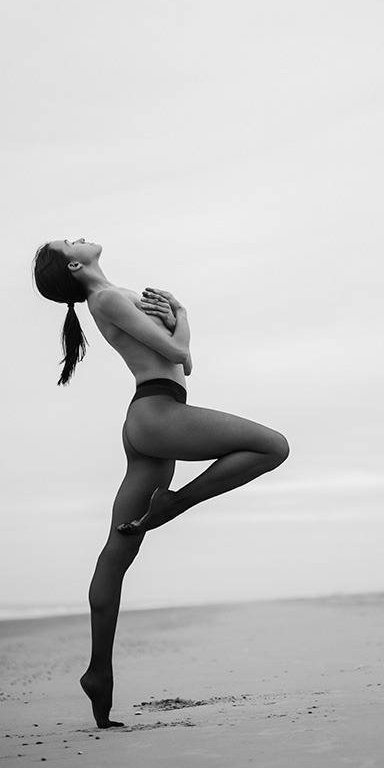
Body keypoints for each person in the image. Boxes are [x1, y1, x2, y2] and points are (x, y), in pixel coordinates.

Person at [33, 238, 289, 728]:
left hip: (154, 415)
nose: (80, 236)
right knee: (272, 446)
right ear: (73, 263)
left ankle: (98, 672)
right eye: (70, 241)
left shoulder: (115, 294)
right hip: (158, 413)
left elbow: (182, 363)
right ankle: (174, 506)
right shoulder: (106, 299)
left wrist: (170, 315)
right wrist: (183, 314)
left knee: (118, 548)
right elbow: (180, 351)